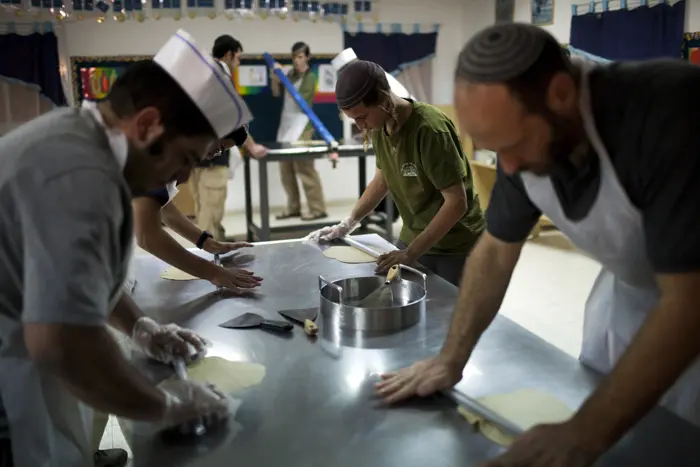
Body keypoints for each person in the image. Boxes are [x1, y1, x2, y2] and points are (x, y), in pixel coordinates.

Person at [375, 23, 700, 467]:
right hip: (628, 301)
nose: (509, 167)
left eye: (513, 146)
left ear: (562, 94)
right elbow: (494, 250)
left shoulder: (670, 114)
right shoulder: (527, 124)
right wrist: (451, 358)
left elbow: (689, 303)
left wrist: (585, 433)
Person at [0, 29, 250, 467]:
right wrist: (164, 406)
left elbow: (74, 274)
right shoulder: (81, 176)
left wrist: (140, 326)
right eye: (187, 158)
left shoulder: (82, 138)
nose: (184, 176)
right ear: (149, 124)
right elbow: (61, 344)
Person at [306, 60, 485, 286]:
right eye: (354, 120)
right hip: (415, 233)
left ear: (383, 100)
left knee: (447, 311)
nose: (361, 126)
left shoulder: (430, 130)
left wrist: (411, 253)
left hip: (455, 243)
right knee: (395, 295)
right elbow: (382, 180)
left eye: (362, 117)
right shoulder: (380, 127)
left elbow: (457, 202)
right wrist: (349, 222)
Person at [189, 34, 269, 241]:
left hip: (194, 156)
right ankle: (210, 255)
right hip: (213, 158)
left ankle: (218, 240)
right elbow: (235, 119)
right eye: (238, 58)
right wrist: (251, 146)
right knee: (210, 209)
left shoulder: (201, 74)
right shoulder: (220, 78)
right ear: (228, 54)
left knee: (202, 206)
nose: (238, 63)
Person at [270, 41, 328, 221]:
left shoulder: (310, 77)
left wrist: (283, 78)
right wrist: (275, 78)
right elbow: (275, 93)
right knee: (285, 170)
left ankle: (317, 209)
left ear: (307, 58)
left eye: (301, 57)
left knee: (305, 169)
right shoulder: (291, 74)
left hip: (302, 126)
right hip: (286, 124)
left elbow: (299, 100)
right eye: (294, 56)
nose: (297, 60)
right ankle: (293, 207)